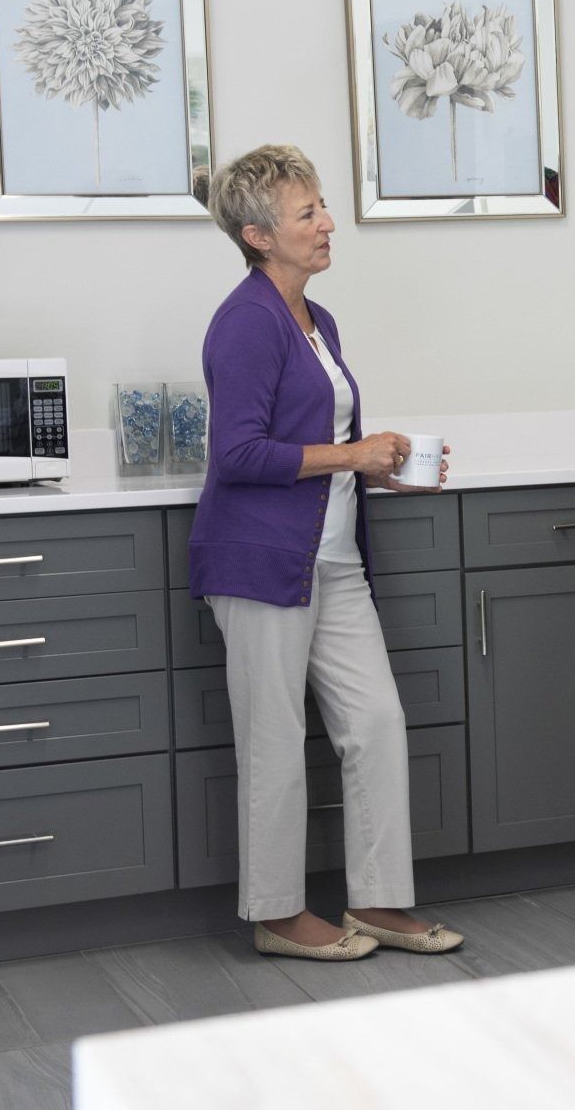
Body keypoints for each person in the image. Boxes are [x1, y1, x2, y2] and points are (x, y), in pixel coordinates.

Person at [190, 144, 465, 962]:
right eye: (307, 212)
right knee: (273, 739)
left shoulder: (318, 320)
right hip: (259, 562)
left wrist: (385, 474)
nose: (326, 222)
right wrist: (354, 455)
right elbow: (238, 453)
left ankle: (379, 899)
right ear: (257, 234)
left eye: (321, 206)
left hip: (332, 556)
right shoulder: (245, 322)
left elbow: (321, 448)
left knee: (375, 720)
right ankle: (276, 916)